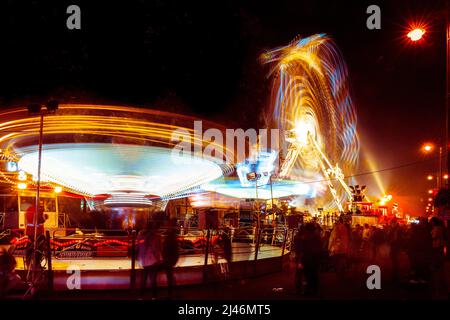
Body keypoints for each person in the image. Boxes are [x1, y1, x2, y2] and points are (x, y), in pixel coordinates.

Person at [294, 223, 322, 295]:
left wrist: (300, 258)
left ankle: (309, 290)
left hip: (308, 258)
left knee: (309, 274)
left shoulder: (307, 237)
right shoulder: (316, 237)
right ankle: (314, 289)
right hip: (313, 258)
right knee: (313, 274)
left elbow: (303, 248)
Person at [138, 221, 163, 299]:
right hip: (154, 260)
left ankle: (141, 296)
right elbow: (158, 248)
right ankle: (154, 296)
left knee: (144, 279)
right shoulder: (157, 236)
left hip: (145, 260)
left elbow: (140, 247)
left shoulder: (141, 235)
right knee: (153, 279)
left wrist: (140, 259)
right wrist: (160, 258)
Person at [25, 204, 47, 269]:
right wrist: (45, 217)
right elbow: (40, 220)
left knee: (30, 248)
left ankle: (28, 262)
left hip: (30, 232)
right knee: (38, 249)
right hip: (38, 232)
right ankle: (37, 264)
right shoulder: (38, 211)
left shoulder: (29, 209)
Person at [161, 222, 180, 299]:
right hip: (170, 259)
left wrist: (164, 257)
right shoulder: (173, 239)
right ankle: (173, 293)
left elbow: (166, 249)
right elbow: (175, 251)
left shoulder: (169, 239)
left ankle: (171, 294)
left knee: (170, 276)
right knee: (170, 276)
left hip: (168, 260)